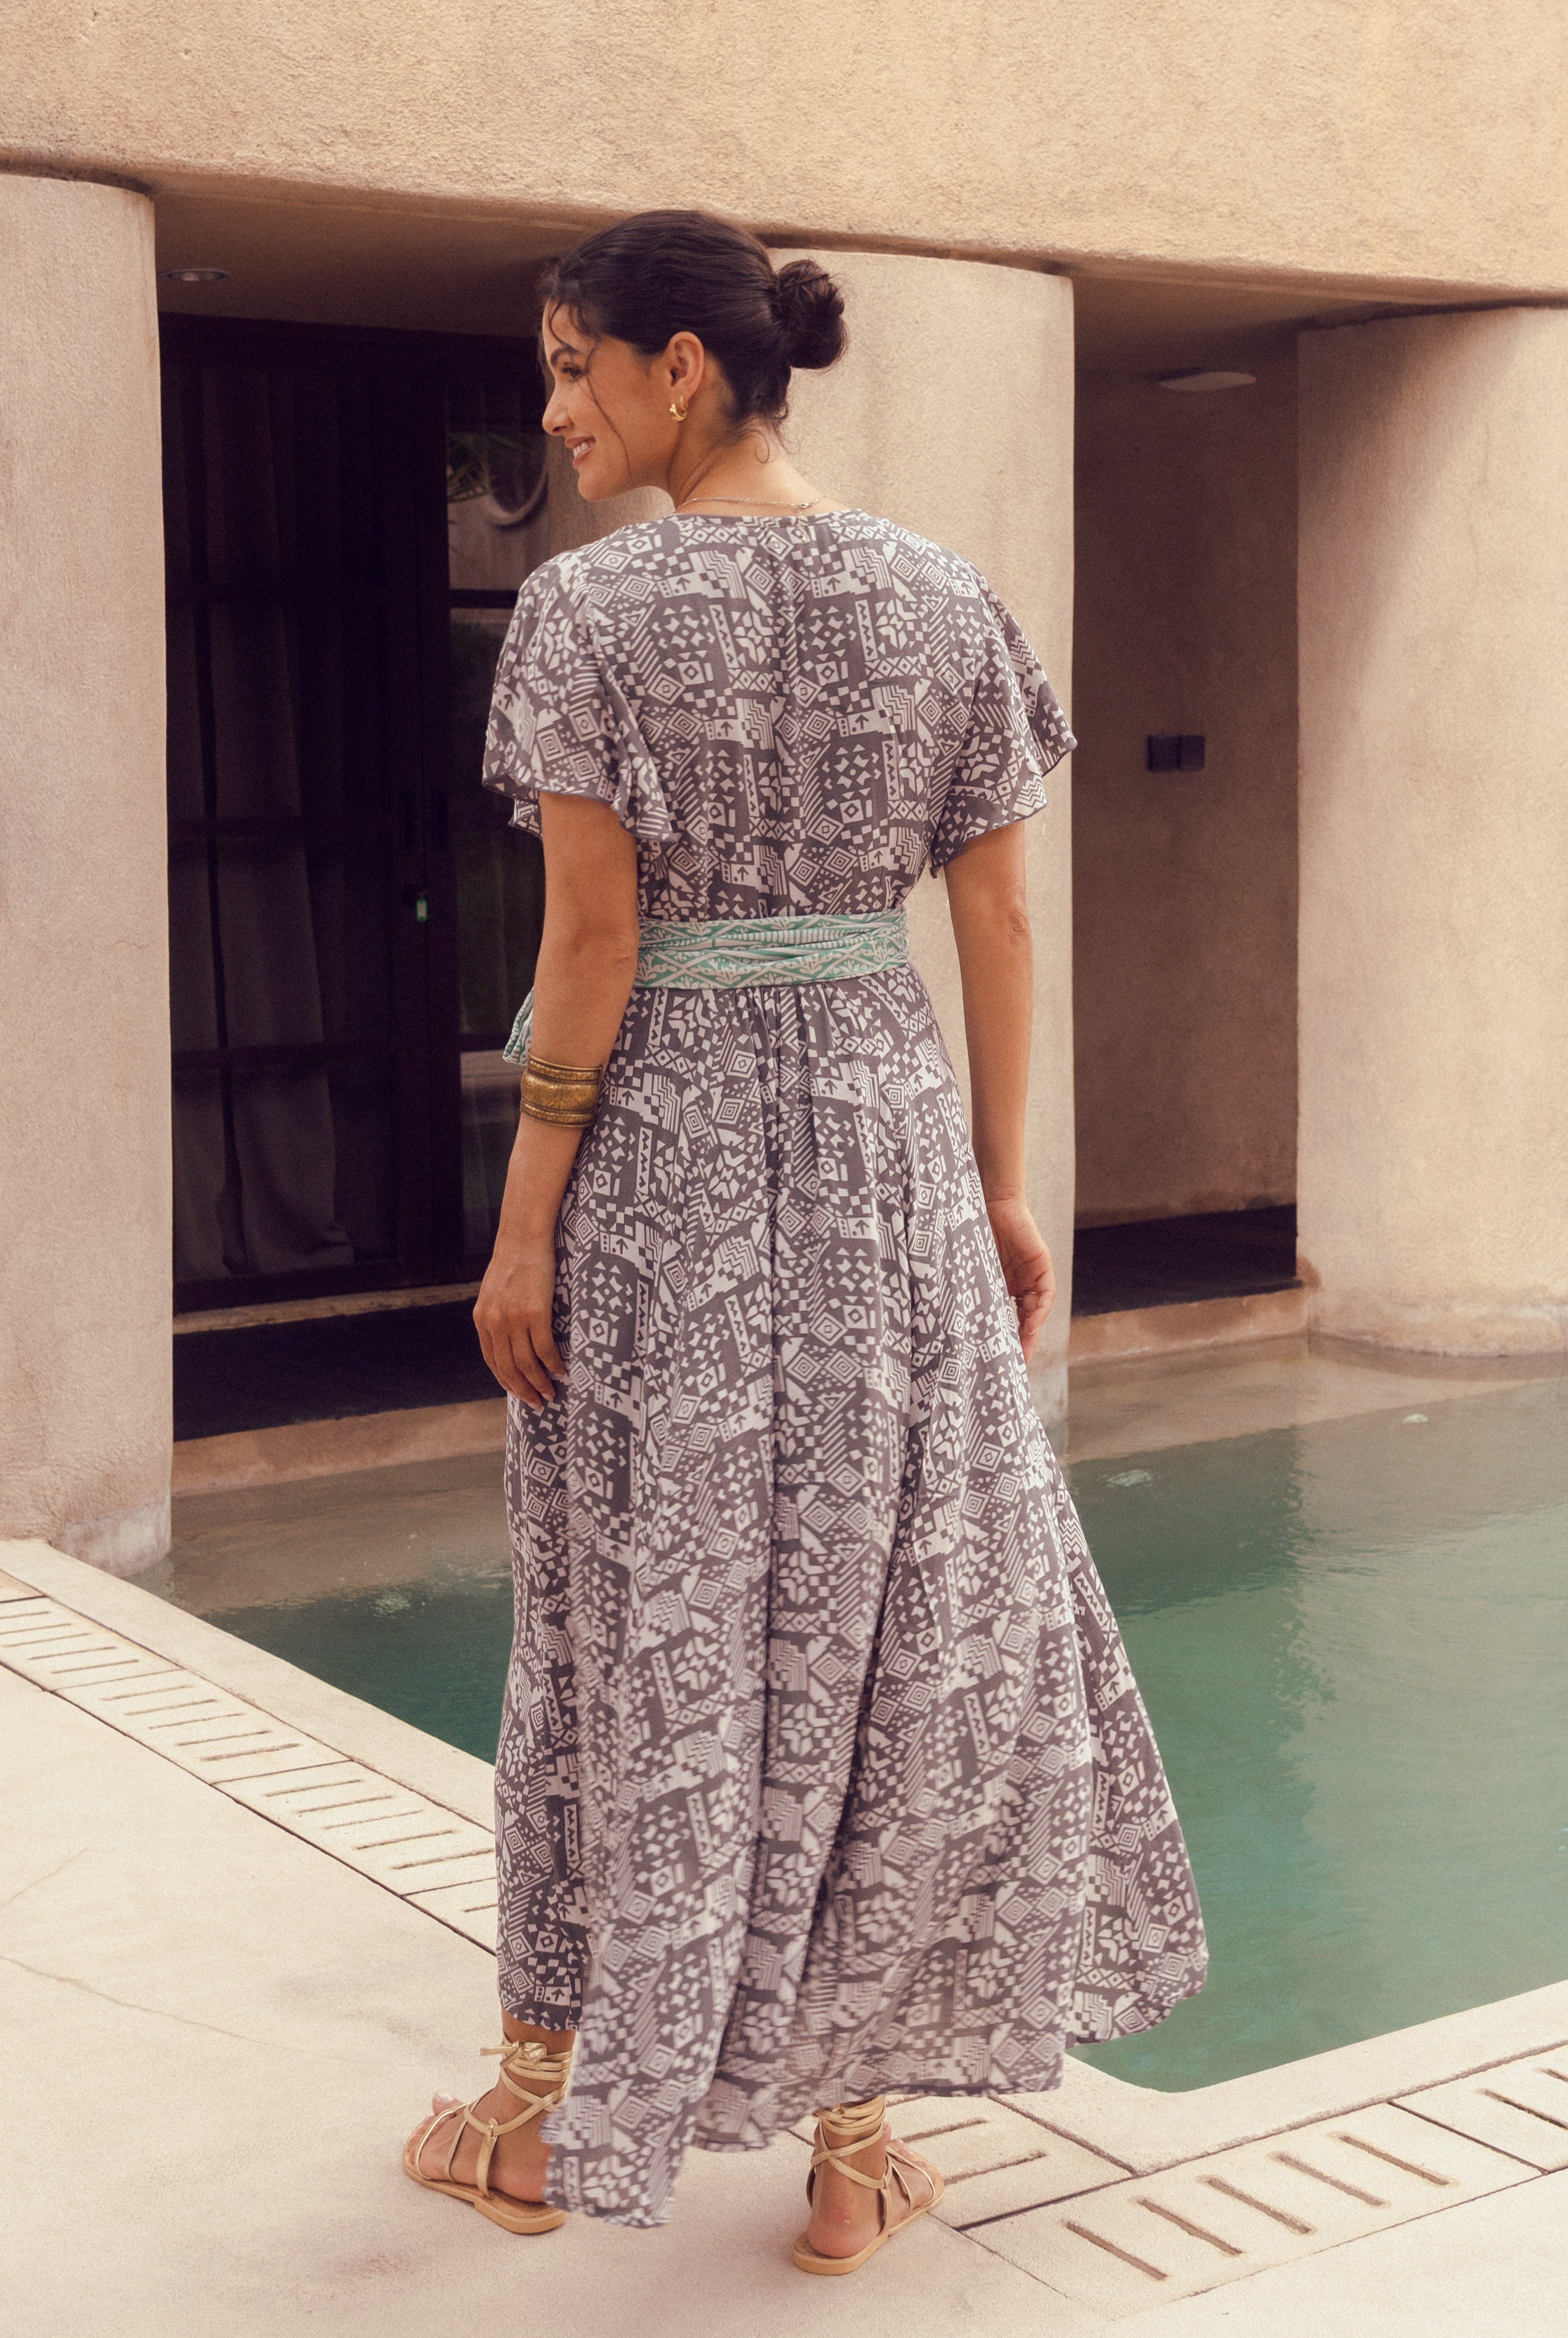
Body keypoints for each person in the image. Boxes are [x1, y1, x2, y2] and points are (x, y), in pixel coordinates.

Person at [405, 209, 1205, 2270]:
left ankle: (534, 2107)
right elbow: (1001, 920)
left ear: (686, 364)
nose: (556, 411)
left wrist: (518, 1237)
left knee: (627, 1625)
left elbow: (591, 950)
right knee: (866, 1630)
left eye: (575, 365)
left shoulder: (591, 620)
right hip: (883, 1165)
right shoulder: (944, 598)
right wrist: (1005, 1186)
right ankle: (853, 2142)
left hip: (663, 1182)